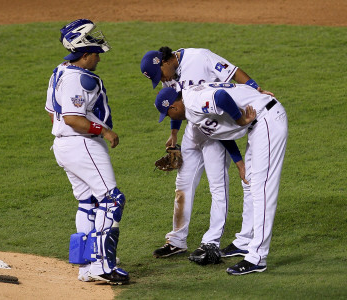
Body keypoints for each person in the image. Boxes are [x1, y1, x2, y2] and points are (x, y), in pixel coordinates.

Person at [140, 47, 273, 261]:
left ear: (164, 61)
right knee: (183, 182)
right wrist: (174, 134)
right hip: (194, 126)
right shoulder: (168, 74)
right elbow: (175, 104)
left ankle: (211, 241)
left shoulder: (199, 57)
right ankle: (176, 240)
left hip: (217, 126)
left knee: (217, 186)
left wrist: (256, 90)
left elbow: (233, 71)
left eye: (160, 74)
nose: (162, 79)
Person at [154, 83, 288, 275]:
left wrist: (240, 119)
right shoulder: (192, 102)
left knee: (262, 189)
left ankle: (257, 257)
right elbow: (221, 132)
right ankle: (245, 242)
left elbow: (221, 96)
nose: (170, 119)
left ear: (174, 107)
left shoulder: (193, 102)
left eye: (168, 114)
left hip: (266, 120)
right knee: (250, 183)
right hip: (258, 124)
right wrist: (239, 162)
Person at [45, 19, 129, 284]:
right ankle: (103, 267)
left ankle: (86, 267)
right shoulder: (80, 79)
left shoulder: (59, 70)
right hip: (82, 143)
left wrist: (66, 139)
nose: (98, 58)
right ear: (85, 53)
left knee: (88, 203)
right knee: (112, 200)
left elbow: (52, 114)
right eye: (95, 54)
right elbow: (72, 118)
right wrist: (104, 132)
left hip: (64, 145)